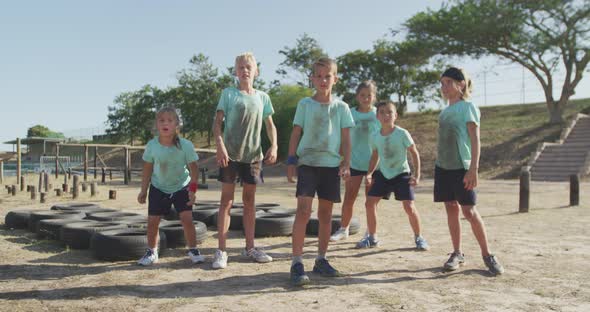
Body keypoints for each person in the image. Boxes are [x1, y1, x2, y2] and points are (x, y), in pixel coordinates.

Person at [286, 57, 355, 286]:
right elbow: (296, 132)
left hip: (330, 166)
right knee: (303, 210)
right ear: (312, 79)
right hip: (307, 163)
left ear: (335, 79)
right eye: (319, 76)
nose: (323, 80)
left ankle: (321, 259)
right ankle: (296, 263)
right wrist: (291, 159)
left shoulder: (342, 107)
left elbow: (346, 138)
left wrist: (346, 162)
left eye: (328, 76)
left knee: (325, 215)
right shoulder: (305, 104)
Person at [212, 52, 278, 269]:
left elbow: (269, 125)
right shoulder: (228, 94)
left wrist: (274, 145)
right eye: (240, 67)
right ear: (235, 71)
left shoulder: (263, 97)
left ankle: (250, 247)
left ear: (256, 71)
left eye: (249, 66)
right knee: (226, 202)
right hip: (230, 154)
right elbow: (217, 123)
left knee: (250, 201)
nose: (245, 70)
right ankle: (221, 251)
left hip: (254, 157)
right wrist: (220, 145)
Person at [436, 67, 504, 275]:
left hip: (462, 168)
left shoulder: (468, 107)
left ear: (461, 84)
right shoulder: (444, 112)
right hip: (443, 167)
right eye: (442, 83)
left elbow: (475, 139)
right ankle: (457, 253)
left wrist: (473, 169)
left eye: (448, 82)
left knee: (469, 211)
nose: (444, 87)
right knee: (450, 207)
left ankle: (488, 255)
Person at [137, 107, 203, 266]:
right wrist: (143, 190)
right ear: (156, 125)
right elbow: (147, 169)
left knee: (187, 219)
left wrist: (193, 191)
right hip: (158, 187)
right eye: (161, 120)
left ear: (176, 125)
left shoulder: (185, 145)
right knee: (153, 221)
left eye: (170, 120)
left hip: (182, 186)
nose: (165, 123)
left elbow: (194, 169)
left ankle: (193, 250)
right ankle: (152, 251)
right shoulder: (152, 145)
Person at [359, 100, 429, 250]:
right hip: (383, 174)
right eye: (382, 112)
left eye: (389, 112)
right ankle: (372, 237)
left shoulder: (402, 133)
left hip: (401, 174)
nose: (386, 115)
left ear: (395, 115)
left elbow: (414, 153)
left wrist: (416, 175)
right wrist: (369, 173)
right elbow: (375, 155)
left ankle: (419, 238)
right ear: (377, 116)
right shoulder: (375, 136)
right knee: (369, 203)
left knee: (409, 207)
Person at [330, 80, 380, 242]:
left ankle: (370, 232)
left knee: (370, 201)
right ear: (357, 96)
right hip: (354, 162)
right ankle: (343, 229)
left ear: (374, 97)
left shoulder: (379, 114)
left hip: (374, 164)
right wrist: (340, 159)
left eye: (369, 95)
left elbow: (386, 136)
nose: (366, 98)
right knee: (349, 197)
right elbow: (341, 137)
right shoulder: (349, 112)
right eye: (362, 95)